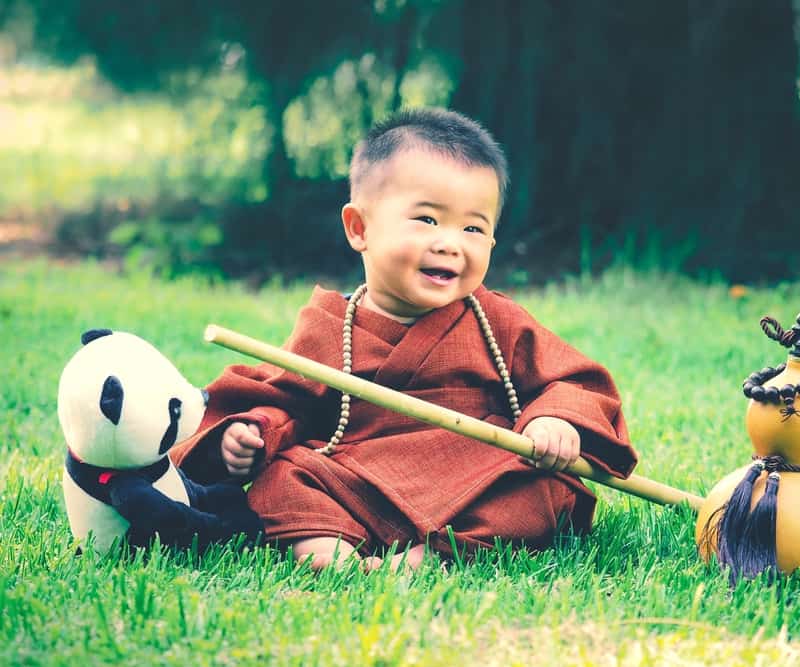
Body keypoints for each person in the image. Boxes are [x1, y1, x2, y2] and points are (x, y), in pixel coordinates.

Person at [171, 107, 637, 571]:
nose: (451, 243)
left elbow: (573, 382)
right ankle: (330, 554)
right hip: (355, 476)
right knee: (283, 478)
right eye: (428, 220)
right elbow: (285, 399)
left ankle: (427, 559)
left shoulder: (496, 320)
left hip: (473, 478)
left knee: (546, 490)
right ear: (360, 228)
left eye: (473, 228)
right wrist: (249, 432)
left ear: (492, 242)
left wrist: (554, 421)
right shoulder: (331, 325)